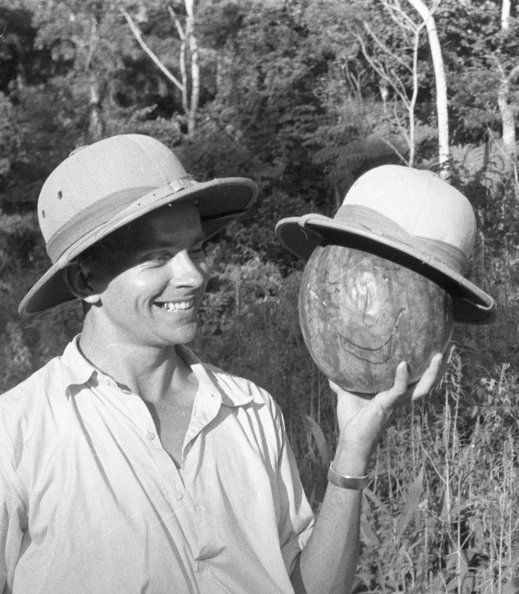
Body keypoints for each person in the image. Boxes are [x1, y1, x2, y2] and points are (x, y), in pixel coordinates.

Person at [0, 134, 444, 594]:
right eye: (157, 258)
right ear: (84, 279)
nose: (192, 276)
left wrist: (353, 449)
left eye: (195, 250)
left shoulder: (251, 409)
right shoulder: (18, 435)